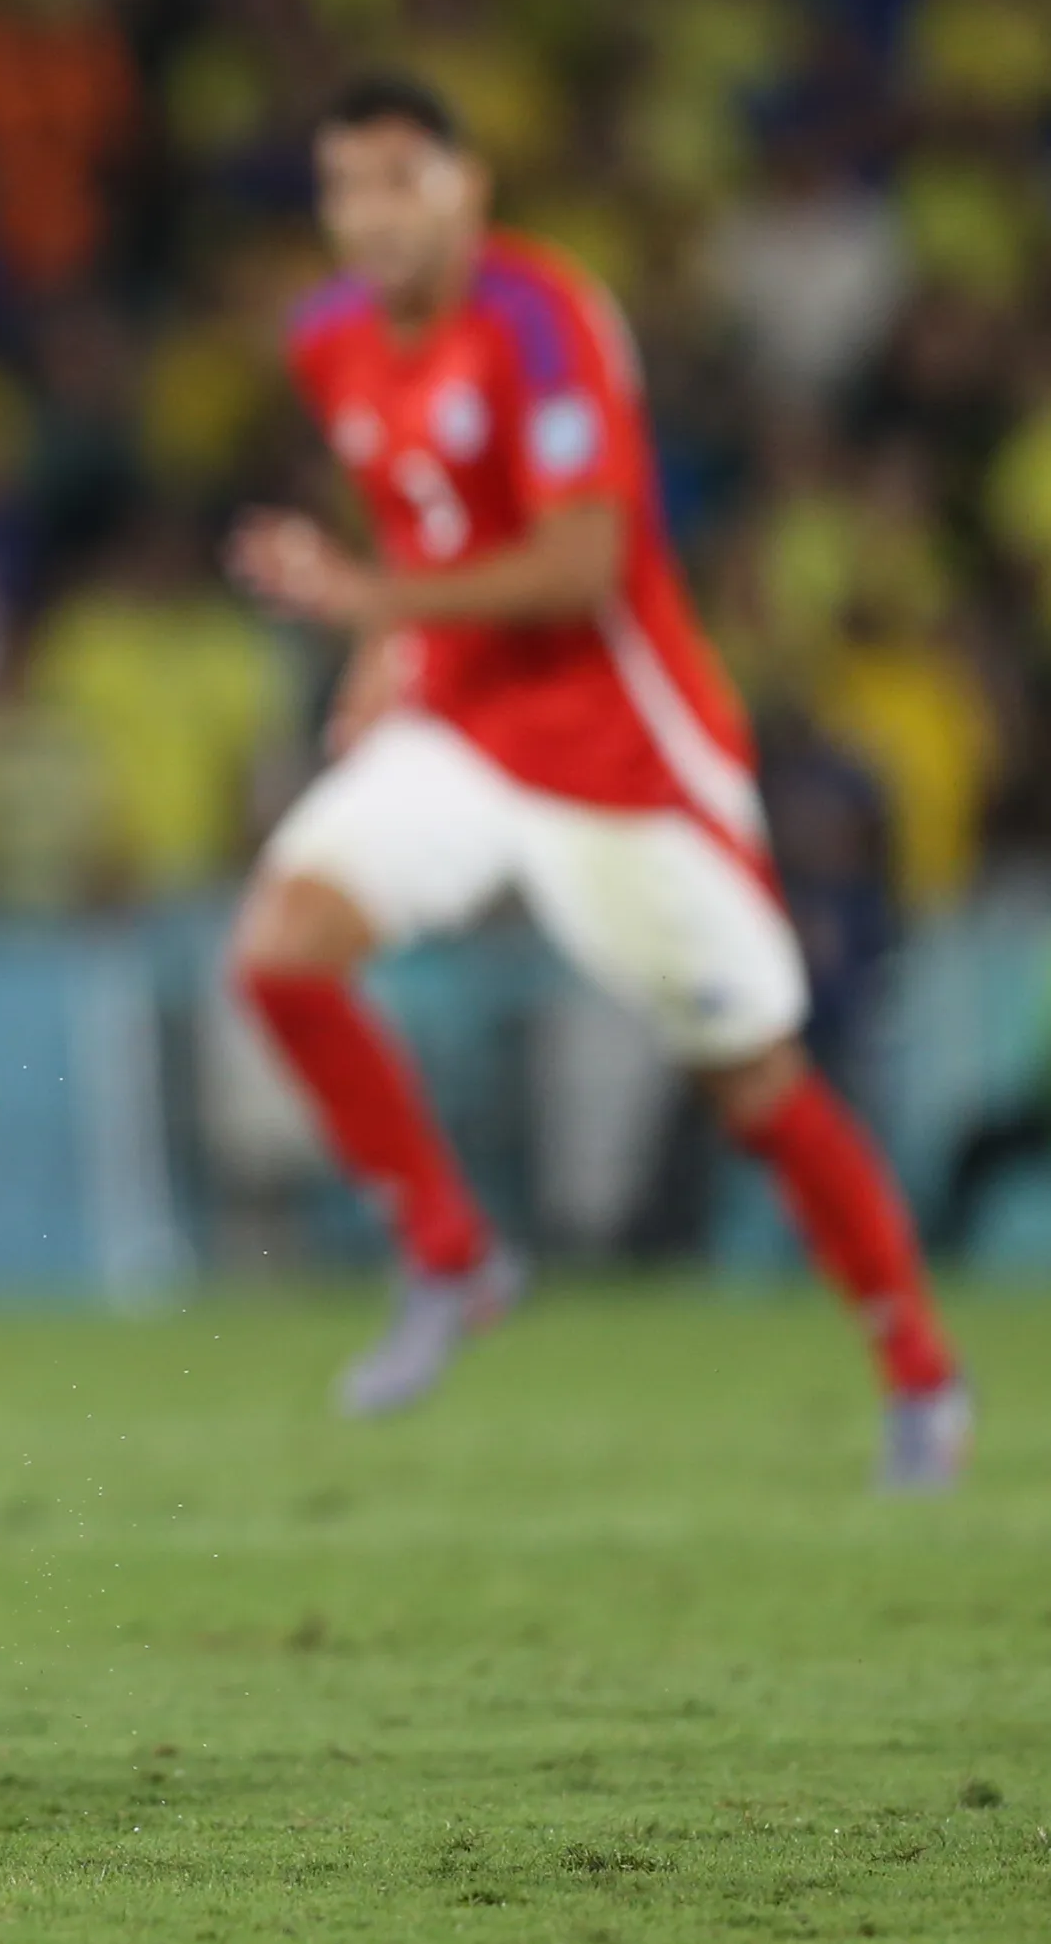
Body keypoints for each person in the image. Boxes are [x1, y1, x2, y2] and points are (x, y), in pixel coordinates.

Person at [225, 73, 968, 1487]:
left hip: (620, 755)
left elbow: (581, 561)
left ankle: (920, 1369)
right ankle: (452, 1254)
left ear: (468, 186)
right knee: (281, 951)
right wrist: (395, 638)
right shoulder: (330, 339)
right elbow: (419, 508)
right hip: (460, 727)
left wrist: (375, 598)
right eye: (343, 187)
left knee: (752, 1080)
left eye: (400, 178)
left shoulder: (541, 318)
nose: (370, 215)